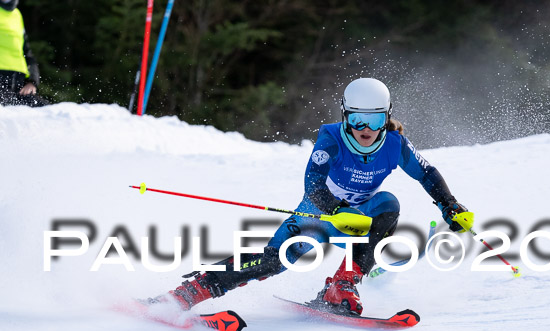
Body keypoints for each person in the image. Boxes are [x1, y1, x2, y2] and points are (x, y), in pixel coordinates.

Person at [147, 78, 472, 315]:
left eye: (374, 119)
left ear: (386, 117)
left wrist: (450, 205)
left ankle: (341, 286)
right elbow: (313, 183)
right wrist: (336, 209)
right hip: (318, 214)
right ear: (345, 114)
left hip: (362, 214)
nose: (365, 128)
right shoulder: (331, 137)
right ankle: (189, 293)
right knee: (275, 261)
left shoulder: (395, 144)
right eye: (357, 118)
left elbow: (426, 173)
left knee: (388, 204)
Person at [0, 0, 47, 107]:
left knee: (49, 112)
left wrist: (32, 82)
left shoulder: (17, 15)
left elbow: (28, 53)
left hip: (20, 86)